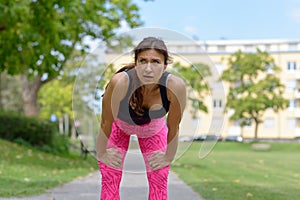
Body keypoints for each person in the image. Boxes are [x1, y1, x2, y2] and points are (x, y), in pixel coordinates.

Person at [96, 37, 186, 200]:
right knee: (110, 176)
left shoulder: (175, 87)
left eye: (155, 62)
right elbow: (106, 122)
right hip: (120, 128)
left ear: (165, 65)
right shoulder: (120, 82)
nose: (148, 69)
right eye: (143, 61)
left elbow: (173, 127)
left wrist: (168, 157)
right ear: (136, 63)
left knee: (159, 179)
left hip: (153, 131)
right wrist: (102, 153)